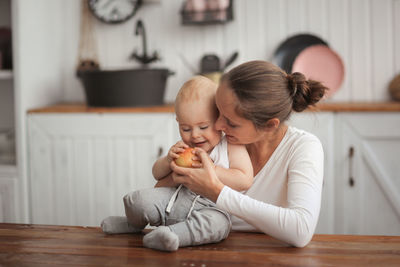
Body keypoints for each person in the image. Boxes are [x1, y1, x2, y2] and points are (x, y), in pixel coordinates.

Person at [168, 60, 328, 248]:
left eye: (231, 122)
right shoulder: (215, 142)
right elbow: (167, 192)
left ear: (269, 125)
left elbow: (301, 230)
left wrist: (216, 192)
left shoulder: (302, 147)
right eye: (218, 112)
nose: (218, 126)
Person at [101, 75, 253, 252]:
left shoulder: (230, 146)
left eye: (203, 127)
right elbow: (157, 174)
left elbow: (244, 179)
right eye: (185, 129)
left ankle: (172, 236)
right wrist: (167, 160)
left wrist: (212, 169)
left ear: (219, 119)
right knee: (137, 200)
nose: (194, 135)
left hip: (211, 208)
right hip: (172, 201)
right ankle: (132, 224)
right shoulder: (184, 148)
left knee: (217, 226)